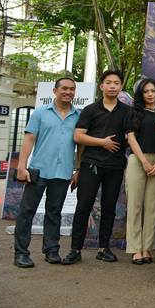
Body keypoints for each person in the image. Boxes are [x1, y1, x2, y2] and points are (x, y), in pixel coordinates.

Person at [63, 70, 130, 265]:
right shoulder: (90, 110)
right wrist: (102, 142)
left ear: (120, 87)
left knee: (109, 207)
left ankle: (103, 248)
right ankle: (75, 249)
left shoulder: (126, 111)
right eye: (108, 83)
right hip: (91, 164)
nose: (112, 86)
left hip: (115, 166)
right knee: (83, 207)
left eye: (116, 83)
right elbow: (78, 137)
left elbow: (130, 138)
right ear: (101, 86)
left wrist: (117, 147)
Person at [13, 78, 80, 268]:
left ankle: (51, 250)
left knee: (54, 212)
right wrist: (21, 166)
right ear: (55, 90)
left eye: (72, 89)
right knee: (27, 212)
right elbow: (29, 138)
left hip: (62, 172)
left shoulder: (78, 116)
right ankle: (21, 253)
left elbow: (80, 146)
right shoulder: (41, 113)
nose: (68, 92)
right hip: (38, 170)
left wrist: (78, 170)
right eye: (64, 88)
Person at [125, 79, 155, 265]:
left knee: (152, 206)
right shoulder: (134, 112)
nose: (150, 94)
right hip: (137, 160)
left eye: (153, 91)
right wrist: (143, 161)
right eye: (146, 91)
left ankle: (146, 248)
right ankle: (135, 249)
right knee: (135, 204)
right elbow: (131, 138)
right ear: (140, 94)